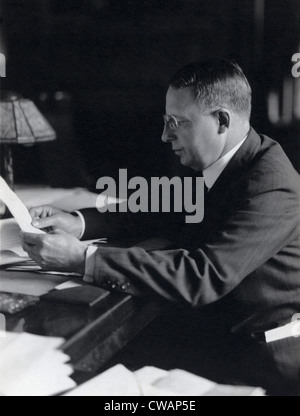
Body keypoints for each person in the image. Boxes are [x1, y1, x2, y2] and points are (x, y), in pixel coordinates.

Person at [22, 59, 300, 396]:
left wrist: (84, 259)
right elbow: (159, 211)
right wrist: (78, 223)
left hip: (263, 361)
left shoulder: (270, 184)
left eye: (176, 123)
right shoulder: (225, 161)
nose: (165, 135)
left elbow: (203, 276)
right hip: (219, 333)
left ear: (222, 121)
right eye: (165, 121)